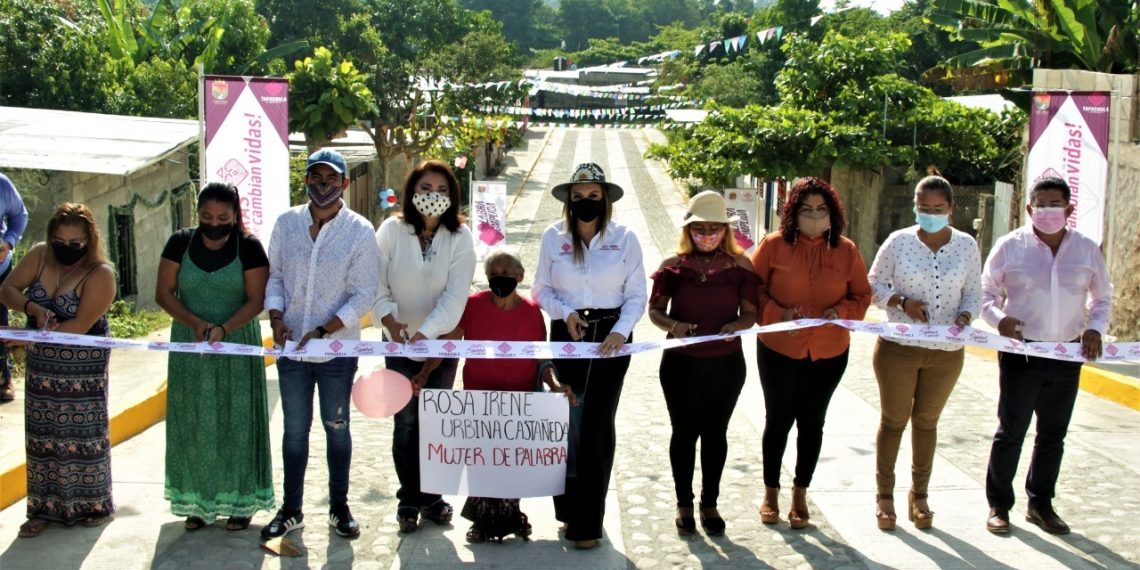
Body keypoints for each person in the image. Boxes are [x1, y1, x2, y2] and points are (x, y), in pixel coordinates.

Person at [982, 176, 1112, 535]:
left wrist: (1095, 329)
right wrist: (999, 319)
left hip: (1068, 353)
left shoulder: (1086, 250)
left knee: (1053, 434)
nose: (1048, 210)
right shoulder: (1010, 247)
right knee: (1011, 431)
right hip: (1022, 354)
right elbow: (986, 294)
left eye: (1055, 204)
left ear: (1069, 209)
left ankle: (1040, 503)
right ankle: (999, 505)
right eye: (1041, 203)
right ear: (1029, 208)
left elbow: (1101, 298)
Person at [262, 149, 380, 540]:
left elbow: (363, 294)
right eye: (316, 178)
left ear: (344, 183)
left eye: (331, 179)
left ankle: (338, 506)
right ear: (306, 180)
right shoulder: (287, 224)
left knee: (337, 427)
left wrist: (324, 330)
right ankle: (291, 509)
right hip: (292, 349)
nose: (322, 186)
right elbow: (275, 277)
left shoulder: (360, 231)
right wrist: (277, 318)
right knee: (294, 430)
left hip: (336, 351)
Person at [422, 250, 576, 543]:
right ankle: (484, 519)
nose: (499, 278)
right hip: (479, 401)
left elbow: (541, 359)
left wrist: (555, 385)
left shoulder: (532, 313)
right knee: (481, 462)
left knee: (511, 463)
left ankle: (506, 517)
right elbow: (449, 343)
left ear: (520, 275)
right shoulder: (472, 305)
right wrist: (425, 374)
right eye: (493, 274)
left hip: (518, 403)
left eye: (506, 272)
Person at [532, 162, 647, 549]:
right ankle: (566, 510)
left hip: (611, 338)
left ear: (605, 199)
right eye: (578, 197)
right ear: (568, 200)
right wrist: (565, 314)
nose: (586, 202)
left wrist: (619, 330)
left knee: (597, 426)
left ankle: (587, 523)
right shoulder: (553, 238)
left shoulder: (626, 239)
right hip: (567, 333)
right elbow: (541, 290)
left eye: (593, 196)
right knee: (565, 424)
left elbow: (636, 295)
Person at [750, 177, 871, 530]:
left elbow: (862, 295)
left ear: (832, 213)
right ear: (793, 212)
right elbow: (753, 291)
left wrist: (842, 313)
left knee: (812, 423)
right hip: (779, 348)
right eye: (807, 210)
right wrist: (778, 314)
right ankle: (770, 490)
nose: (815, 216)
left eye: (821, 210)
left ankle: (800, 492)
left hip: (829, 351)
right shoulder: (773, 246)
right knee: (778, 420)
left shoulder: (847, 251)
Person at [155, 182, 274, 532]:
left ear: (235, 215)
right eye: (206, 216)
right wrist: (195, 322)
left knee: (238, 424)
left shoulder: (249, 247)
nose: (214, 222)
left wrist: (223, 328)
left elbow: (256, 300)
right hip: (191, 350)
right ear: (198, 214)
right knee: (193, 424)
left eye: (223, 217)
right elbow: (163, 292)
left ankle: (241, 502)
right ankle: (199, 502)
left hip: (236, 346)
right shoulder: (180, 242)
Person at [866, 175, 982, 530]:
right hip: (899, 349)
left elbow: (975, 293)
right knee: (894, 421)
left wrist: (965, 315)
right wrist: (901, 301)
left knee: (927, 423)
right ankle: (884, 494)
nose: (931, 214)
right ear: (915, 207)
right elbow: (872, 284)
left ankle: (920, 494)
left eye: (938, 209)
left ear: (951, 209)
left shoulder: (966, 246)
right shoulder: (898, 243)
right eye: (924, 208)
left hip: (946, 352)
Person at [0, 203, 116, 537]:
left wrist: (30, 333)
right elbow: (6, 289)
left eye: (75, 243)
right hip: (41, 363)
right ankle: (43, 508)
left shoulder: (101, 273)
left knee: (81, 433)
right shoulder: (39, 255)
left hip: (82, 366)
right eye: (60, 241)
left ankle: (92, 503)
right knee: (42, 433)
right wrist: (31, 307)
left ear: (89, 240)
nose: (66, 249)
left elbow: (79, 325)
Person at [373, 159, 476, 534]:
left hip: (441, 346)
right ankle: (409, 499)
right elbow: (376, 283)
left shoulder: (461, 238)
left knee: (435, 423)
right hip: (396, 345)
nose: (434, 197)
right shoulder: (390, 230)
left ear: (453, 195)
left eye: (443, 190)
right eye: (426, 189)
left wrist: (427, 332)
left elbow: (455, 298)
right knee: (406, 422)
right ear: (411, 192)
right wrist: (388, 319)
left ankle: (433, 497)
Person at [647, 190, 757, 536]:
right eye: (700, 229)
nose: (707, 235)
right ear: (688, 230)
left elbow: (751, 313)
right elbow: (654, 311)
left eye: (714, 228)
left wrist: (737, 326)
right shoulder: (672, 267)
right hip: (680, 365)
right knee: (683, 433)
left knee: (715, 434)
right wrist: (673, 327)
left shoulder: (741, 267)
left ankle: (710, 503)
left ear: (725, 230)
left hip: (726, 365)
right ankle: (684, 503)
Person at [0, 173, 29, 402]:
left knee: (0, 326)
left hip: (0, 271)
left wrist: (9, 241)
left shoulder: (1, 184)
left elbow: (19, 215)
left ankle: (3, 379)